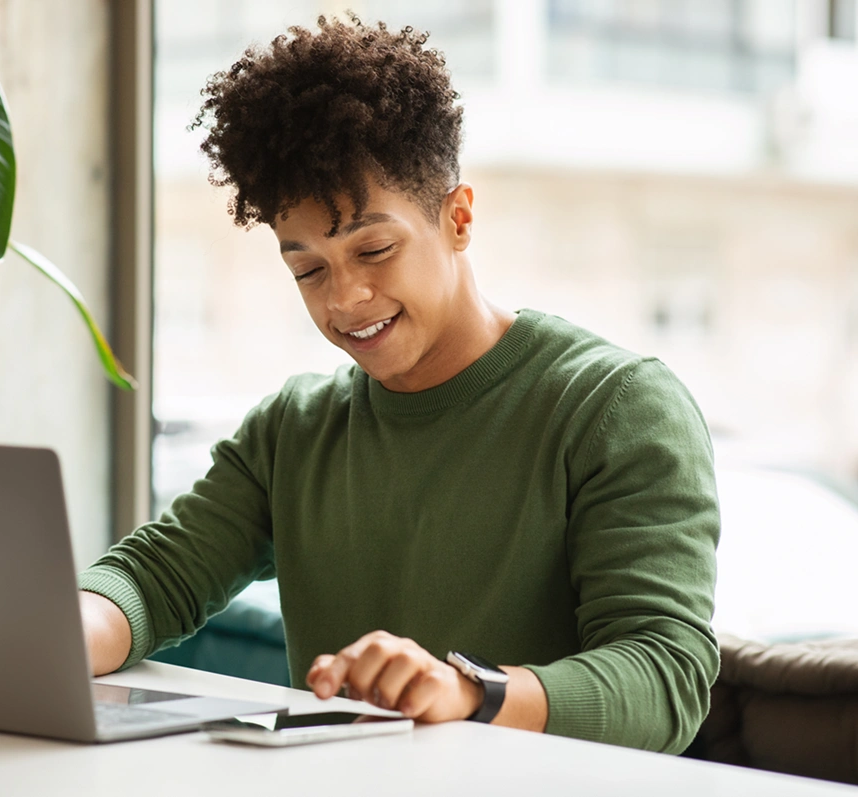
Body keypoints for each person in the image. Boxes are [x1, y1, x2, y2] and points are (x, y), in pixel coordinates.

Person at [78, 14, 718, 754]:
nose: (343, 298)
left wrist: (470, 692)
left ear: (458, 218)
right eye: (307, 269)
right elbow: (155, 577)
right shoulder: (295, 430)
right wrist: (59, 634)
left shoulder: (616, 408)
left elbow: (666, 676)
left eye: (373, 248)